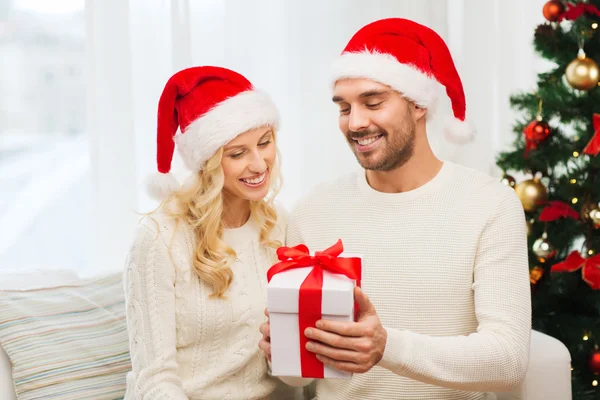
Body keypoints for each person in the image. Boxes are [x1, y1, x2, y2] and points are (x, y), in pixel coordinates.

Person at [259, 18, 531, 399]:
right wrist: (284, 353)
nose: (355, 123)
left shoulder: (489, 205)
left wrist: (387, 346)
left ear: (418, 103)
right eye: (344, 108)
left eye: (373, 103)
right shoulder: (312, 212)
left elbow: (508, 360)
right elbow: (299, 380)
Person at [124, 66, 297, 400]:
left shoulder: (280, 226)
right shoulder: (160, 237)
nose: (260, 164)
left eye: (265, 143)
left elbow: (296, 377)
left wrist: (293, 359)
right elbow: (155, 379)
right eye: (237, 153)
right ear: (207, 162)